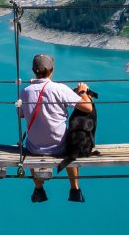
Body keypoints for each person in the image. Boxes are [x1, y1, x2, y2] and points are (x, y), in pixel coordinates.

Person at [18, 52, 93, 203]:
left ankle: (38, 189)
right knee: (70, 146)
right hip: (60, 147)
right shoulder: (60, 89)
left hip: (35, 148)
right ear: (52, 70)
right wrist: (83, 91)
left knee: (32, 143)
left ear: (33, 71)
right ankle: (75, 190)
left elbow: (21, 114)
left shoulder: (24, 92)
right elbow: (87, 108)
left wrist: (32, 89)